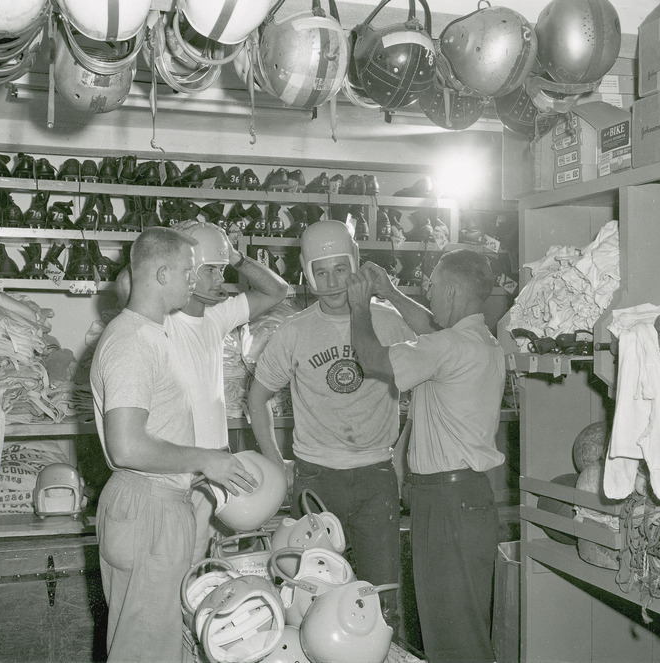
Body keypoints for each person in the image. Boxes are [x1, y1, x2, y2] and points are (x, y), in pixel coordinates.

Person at [90, 226, 257, 663]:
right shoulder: (132, 342)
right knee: (145, 651)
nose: (193, 279)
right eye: (188, 270)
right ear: (162, 274)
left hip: (163, 503)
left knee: (168, 642)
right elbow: (126, 446)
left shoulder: (154, 334)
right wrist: (205, 459)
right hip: (147, 507)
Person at [247, 219, 415, 626]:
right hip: (316, 478)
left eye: (341, 269)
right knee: (310, 601)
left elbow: (426, 386)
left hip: (376, 475)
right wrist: (275, 464)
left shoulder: (390, 321)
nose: (332, 281)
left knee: (378, 601)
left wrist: (401, 453)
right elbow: (257, 398)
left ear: (356, 265)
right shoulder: (294, 331)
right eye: (320, 272)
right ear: (307, 274)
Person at [346, 250, 505, 663]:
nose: (428, 292)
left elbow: (370, 358)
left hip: (448, 503)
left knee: (453, 634)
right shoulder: (480, 341)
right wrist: (390, 291)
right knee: (459, 625)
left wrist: (360, 304)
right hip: (465, 498)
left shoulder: (449, 346)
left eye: (432, 284)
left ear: (451, 290)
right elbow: (430, 327)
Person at [166, 221, 288, 559]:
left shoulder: (216, 316)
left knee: (198, 566)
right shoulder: (160, 319)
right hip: (173, 468)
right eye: (212, 271)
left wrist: (234, 257)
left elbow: (277, 291)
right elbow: (127, 283)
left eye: (222, 271)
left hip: (214, 469)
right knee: (171, 565)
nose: (221, 280)